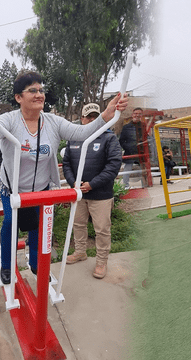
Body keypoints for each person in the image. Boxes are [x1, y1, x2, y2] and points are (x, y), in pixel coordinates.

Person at [0, 70, 128, 285]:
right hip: (13, 189)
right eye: (32, 90)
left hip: (41, 189)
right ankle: (7, 265)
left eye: (41, 90)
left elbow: (81, 133)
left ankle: (36, 263)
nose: (39, 94)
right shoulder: (9, 119)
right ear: (18, 97)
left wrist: (107, 115)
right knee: (10, 222)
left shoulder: (53, 122)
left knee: (37, 226)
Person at [62, 103, 122, 278]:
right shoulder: (73, 138)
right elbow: (66, 164)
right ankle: (80, 252)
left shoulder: (109, 138)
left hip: (100, 194)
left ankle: (102, 262)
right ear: (82, 119)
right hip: (79, 193)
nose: (92, 120)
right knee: (78, 224)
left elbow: (113, 165)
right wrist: (74, 183)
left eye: (95, 116)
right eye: (88, 116)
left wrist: (92, 184)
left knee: (102, 229)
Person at [119, 107, 143, 188]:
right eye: (136, 113)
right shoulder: (126, 127)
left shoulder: (144, 127)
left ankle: (145, 184)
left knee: (143, 169)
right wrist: (128, 148)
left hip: (141, 152)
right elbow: (121, 141)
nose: (137, 115)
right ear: (132, 115)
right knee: (127, 169)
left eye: (139, 114)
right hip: (130, 152)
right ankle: (126, 186)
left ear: (141, 115)